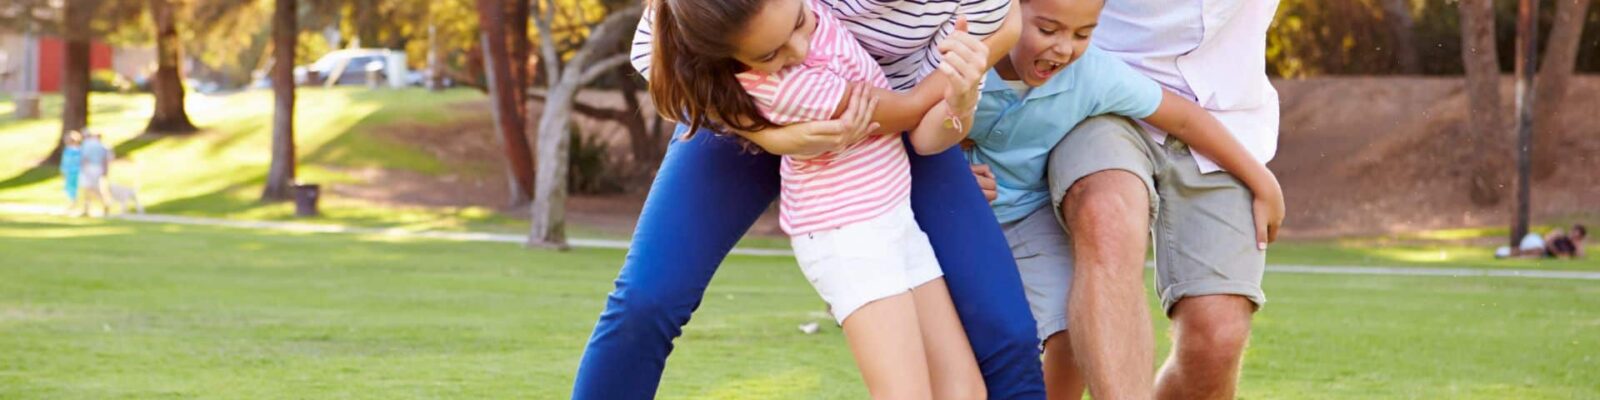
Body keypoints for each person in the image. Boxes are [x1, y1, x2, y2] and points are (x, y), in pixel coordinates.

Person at [572, 0, 1049, 398]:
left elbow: (924, 132)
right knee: (646, 301)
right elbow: (657, 56)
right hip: (747, 105)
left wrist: (965, 93)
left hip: (889, 132)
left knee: (1007, 337)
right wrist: (769, 135)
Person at [971, 0, 1285, 398]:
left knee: (1216, 338)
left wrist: (1262, 180)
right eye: (1052, 33)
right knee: (1106, 218)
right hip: (1098, 111)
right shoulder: (1057, 67)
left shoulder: (1089, 71)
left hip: (1224, 119)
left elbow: (1185, 118)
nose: (1063, 44)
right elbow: (941, 114)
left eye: (1077, 34)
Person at [75, 130, 114, 217]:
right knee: (92, 188)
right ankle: (90, 207)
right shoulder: (103, 146)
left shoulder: (87, 145)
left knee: (89, 188)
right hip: (98, 168)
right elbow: (107, 159)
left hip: (89, 168)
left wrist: (82, 168)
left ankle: (100, 204)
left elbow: (84, 158)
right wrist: (105, 170)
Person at [1497, 224, 1588, 259]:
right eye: (1573, 233)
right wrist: (1556, 252)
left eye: (1577, 236)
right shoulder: (1560, 233)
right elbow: (1546, 241)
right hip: (1536, 241)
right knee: (1538, 250)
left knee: (1536, 255)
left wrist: (1578, 244)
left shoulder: (1572, 248)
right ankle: (1505, 252)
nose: (1573, 237)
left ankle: (1507, 256)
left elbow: (1581, 256)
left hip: (1543, 253)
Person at [61, 131, 84, 212]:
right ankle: (72, 203)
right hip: (72, 171)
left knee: (73, 188)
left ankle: (74, 204)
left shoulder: (76, 150)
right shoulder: (72, 150)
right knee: (70, 188)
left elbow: (67, 162)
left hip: (74, 171)